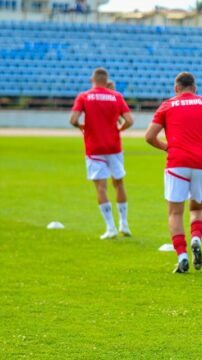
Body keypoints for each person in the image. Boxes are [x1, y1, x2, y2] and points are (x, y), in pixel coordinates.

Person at [145, 72, 202, 273]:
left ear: (176, 88)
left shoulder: (167, 105)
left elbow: (149, 136)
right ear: (195, 88)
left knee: (175, 212)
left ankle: (182, 256)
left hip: (177, 163)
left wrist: (167, 147)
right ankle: (196, 238)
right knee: (197, 209)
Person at [70, 68, 134, 239]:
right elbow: (129, 120)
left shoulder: (84, 96)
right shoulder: (116, 96)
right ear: (107, 81)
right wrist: (119, 129)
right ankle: (124, 224)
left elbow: (73, 119)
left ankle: (110, 227)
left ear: (93, 79)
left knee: (101, 187)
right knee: (119, 184)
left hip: (94, 147)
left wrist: (83, 127)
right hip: (114, 146)